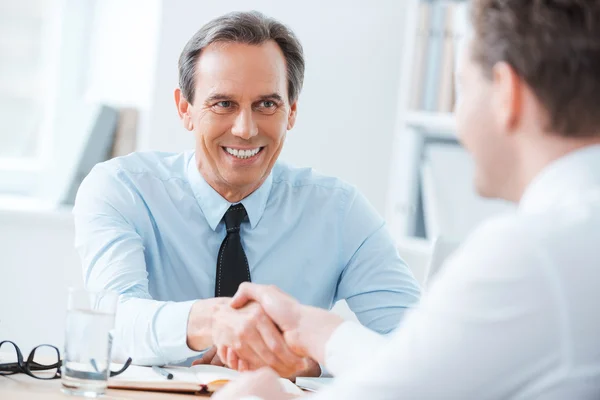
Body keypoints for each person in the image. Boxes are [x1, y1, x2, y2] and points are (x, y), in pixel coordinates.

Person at [213, 0, 600, 398]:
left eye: (463, 86)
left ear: (507, 93)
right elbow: (436, 373)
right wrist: (315, 330)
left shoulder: (530, 255)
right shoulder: (576, 235)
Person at [72, 11, 420, 377]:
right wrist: (215, 321)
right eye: (223, 104)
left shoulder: (340, 212)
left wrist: (305, 362)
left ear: (292, 112)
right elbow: (112, 321)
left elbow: (414, 349)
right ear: (185, 109)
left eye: (266, 104)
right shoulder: (121, 189)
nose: (245, 129)